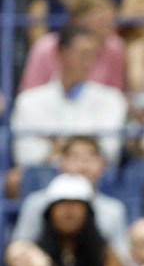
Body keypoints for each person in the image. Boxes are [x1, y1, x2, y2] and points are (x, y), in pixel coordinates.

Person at [11, 25, 128, 167]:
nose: (88, 62)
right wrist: (83, 146)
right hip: (45, 179)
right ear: (61, 54)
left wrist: (58, 146)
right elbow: (26, 157)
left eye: (94, 55)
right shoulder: (28, 101)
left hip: (95, 180)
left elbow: (109, 152)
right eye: (83, 54)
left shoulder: (113, 99)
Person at [13, 136, 129, 264]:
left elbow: (122, 257)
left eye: (91, 158)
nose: (84, 164)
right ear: (61, 164)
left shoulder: (114, 209)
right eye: (75, 157)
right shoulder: (36, 203)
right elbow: (19, 248)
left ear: (103, 166)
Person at [18, 0, 125, 93]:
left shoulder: (115, 47)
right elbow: (30, 95)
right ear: (77, 20)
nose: (108, 28)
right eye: (101, 22)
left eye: (110, 22)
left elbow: (116, 94)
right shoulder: (45, 48)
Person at [33, 174, 128, 266]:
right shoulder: (35, 255)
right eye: (62, 204)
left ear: (88, 214)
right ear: (50, 213)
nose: (69, 212)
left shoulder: (105, 255)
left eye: (76, 204)